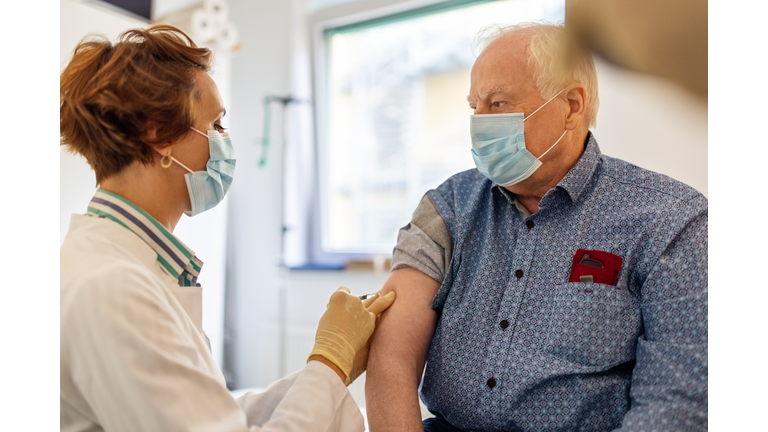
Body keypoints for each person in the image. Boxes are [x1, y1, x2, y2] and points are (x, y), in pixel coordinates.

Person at [365, 22, 707, 432]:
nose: (478, 122)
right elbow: (391, 356)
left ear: (572, 105)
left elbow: (674, 403)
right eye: (474, 105)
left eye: (497, 104)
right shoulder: (449, 208)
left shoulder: (669, 221)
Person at [60, 25, 395, 432]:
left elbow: (215, 414)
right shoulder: (114, 287)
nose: (224, 142)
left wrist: (334, 365)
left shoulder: (122, 263)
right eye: (216, 125)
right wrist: (329, 360)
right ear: (156, 132)